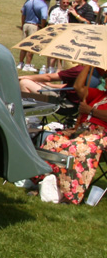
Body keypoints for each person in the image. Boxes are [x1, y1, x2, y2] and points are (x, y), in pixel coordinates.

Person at [35, 63, 107, 204]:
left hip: (101, 135)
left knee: (74, 147)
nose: (105, 80)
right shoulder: (100, 95)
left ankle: (68, 192)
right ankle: (45, 181)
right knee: (53, 139)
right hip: (83, 130)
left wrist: (91, 111)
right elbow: (78, 88)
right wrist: (88, 65)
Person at [18, 0, 49, 72]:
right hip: (34, 25)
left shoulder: (28, 2)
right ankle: (27, 64)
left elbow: (23, 14)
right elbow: (44, 17)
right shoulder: (43, 5)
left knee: (23, 45)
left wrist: (22, 24)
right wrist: (42, 27)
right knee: (31, 46)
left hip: (26, 24)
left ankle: (20, 63)